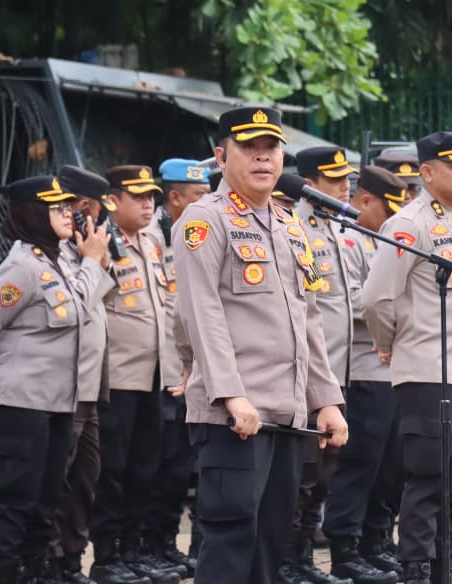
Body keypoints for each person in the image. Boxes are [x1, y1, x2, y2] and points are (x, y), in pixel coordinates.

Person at [172, 106, 348, 584]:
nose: (262, 157)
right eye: (249, 147)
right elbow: (200, 314)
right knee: (231, 542)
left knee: (271, 543)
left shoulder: (289, 224)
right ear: (220, 156)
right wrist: (232, 394)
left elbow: (308, 318)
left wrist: (326, 400)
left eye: (271, 148)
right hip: (235, 416)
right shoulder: (204, 220)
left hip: (286, 414)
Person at [362, 131, 452, 584]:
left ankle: (445, 569)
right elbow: (377, 298)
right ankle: (415, 569)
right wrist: (391, 343)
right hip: (428, 370)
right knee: (428, 480)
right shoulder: (408, 224)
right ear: (428, 172)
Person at [0, 176, 103, 583]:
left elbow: (83, 307)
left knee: (47, 499)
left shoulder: (55, 261)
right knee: (16, 499)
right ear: (32, 213)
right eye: (57, 207)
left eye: (67, 207)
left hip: (56, 401)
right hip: (17, 401)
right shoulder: (20, 268)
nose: (68, 214)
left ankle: (36, 573)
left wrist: (92, 261)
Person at [279, 146, 369, 584]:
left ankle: (302, 559)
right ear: (309, 185)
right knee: (302, 475)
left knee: (323, 477)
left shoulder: (337, 229)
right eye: (334, 180)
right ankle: (287, 561)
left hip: (339, 374)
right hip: (309, 377)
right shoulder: (294, 227)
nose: (345, 186)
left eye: (347, 178)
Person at [88, 165, 182, 584]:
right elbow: (89, 303)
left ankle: (134, 551)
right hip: (118, 379)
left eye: (151, 197)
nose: (149, 204)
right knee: (113, 471)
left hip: (155, 376)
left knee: (146, 469)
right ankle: (107, 557)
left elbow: (167, 306)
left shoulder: (152, 241)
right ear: (112, 200)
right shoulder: (101, 243)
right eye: (139, 197)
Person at [323, 166, 409, 583]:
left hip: (394, 371)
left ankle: (377, 540)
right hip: (363, 367)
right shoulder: (348, 240)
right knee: (359, 465)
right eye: (387, 210)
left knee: (389, 467)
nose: (393, 219)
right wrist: (401, 313)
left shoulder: (385, 239)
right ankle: (345, 548)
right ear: (365, 201)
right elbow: (355, 301)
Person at [141, 158, 212, 579]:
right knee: (156, 465)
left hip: (193, 372)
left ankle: (167, 544)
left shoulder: (201, 232)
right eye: (198, 195)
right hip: (159, 373)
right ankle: (149, 545)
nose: (207, 200)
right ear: (175, 198)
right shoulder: (150, 238)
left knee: (180, 468)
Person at [49, 166, 118, 584]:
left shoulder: (81, 251)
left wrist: (98, 260)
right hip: (65, 387)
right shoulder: (53, 252)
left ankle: (73, 559)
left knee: (86, 478)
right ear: (82, 208)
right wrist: (93, 260)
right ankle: (51, 561)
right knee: (59, 478)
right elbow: (75, 307)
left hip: (90, 385)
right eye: (94, 211)